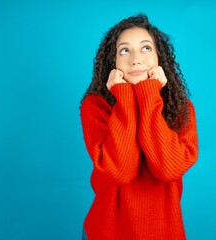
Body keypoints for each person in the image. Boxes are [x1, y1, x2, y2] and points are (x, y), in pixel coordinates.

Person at [80, 14, 199, 240]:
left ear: (159, 57)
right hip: (106, 233)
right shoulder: (95, 107)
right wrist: (124, 97)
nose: (136, 59)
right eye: (125, 50)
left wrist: (148, 96)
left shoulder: (182, 109)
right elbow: (120, 172)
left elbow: (168, 169)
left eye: (146, 48)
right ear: (112, 62)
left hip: (164, 233)